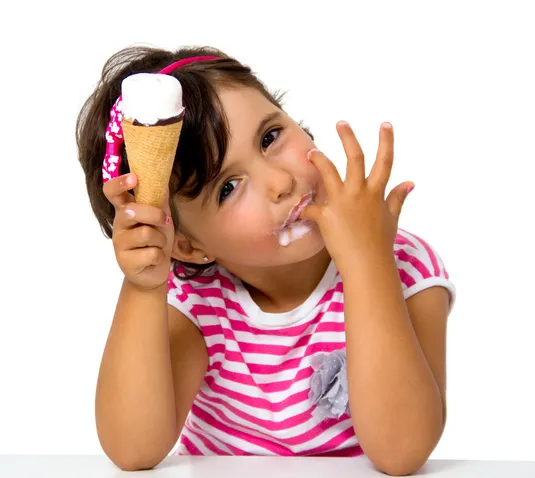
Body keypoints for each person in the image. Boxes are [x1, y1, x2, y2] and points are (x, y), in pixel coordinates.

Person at [76, 45, 457, 476]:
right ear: (186, 246)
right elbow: (133, 449)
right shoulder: (196, 302)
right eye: (228, 187)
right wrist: (143, 285)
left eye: (270, 137)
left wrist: (369, 265)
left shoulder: (405, 265)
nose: (279, 182)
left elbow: (402, 451)